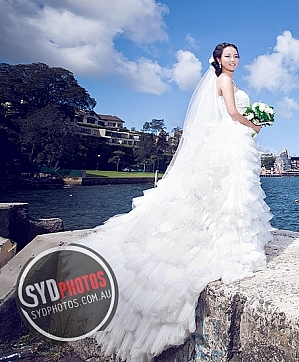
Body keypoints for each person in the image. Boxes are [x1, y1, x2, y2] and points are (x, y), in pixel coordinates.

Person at [77, 42, 273, 362]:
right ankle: (227, 241)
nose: (234, 59)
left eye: (237, 55)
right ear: (218, 60)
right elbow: (233, 113)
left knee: (228, 191)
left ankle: (227, 237)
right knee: (229, 190)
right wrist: (255, 124)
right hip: (232, 140)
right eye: (228, 56)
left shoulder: (228, 81)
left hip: (232, 140)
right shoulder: (224, 80)